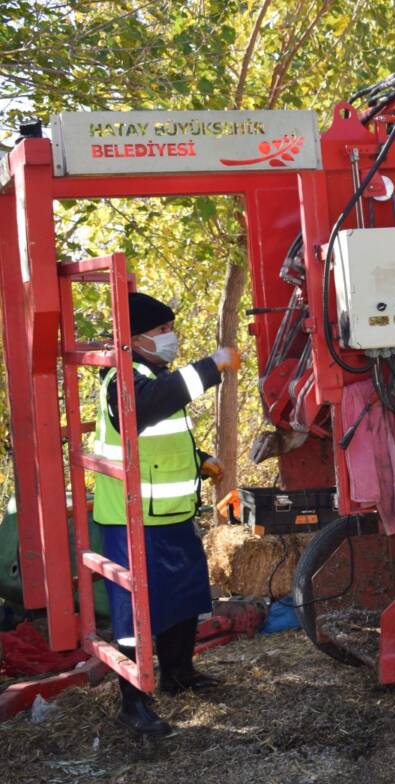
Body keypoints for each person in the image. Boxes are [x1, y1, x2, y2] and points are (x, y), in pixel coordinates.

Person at [92, 292, 239, 737]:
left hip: (170, 515)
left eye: (169, 329)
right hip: (132, 519)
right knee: (133, 615)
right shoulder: (122, 379)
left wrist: (200, 459)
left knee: (183, 596)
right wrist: (211, 366)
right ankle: (133, 703)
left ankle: (178, 673)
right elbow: (150, 406)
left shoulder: (152, 372)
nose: (169, 337)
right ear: (136, 338)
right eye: (161, 330)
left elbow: (156, 442)